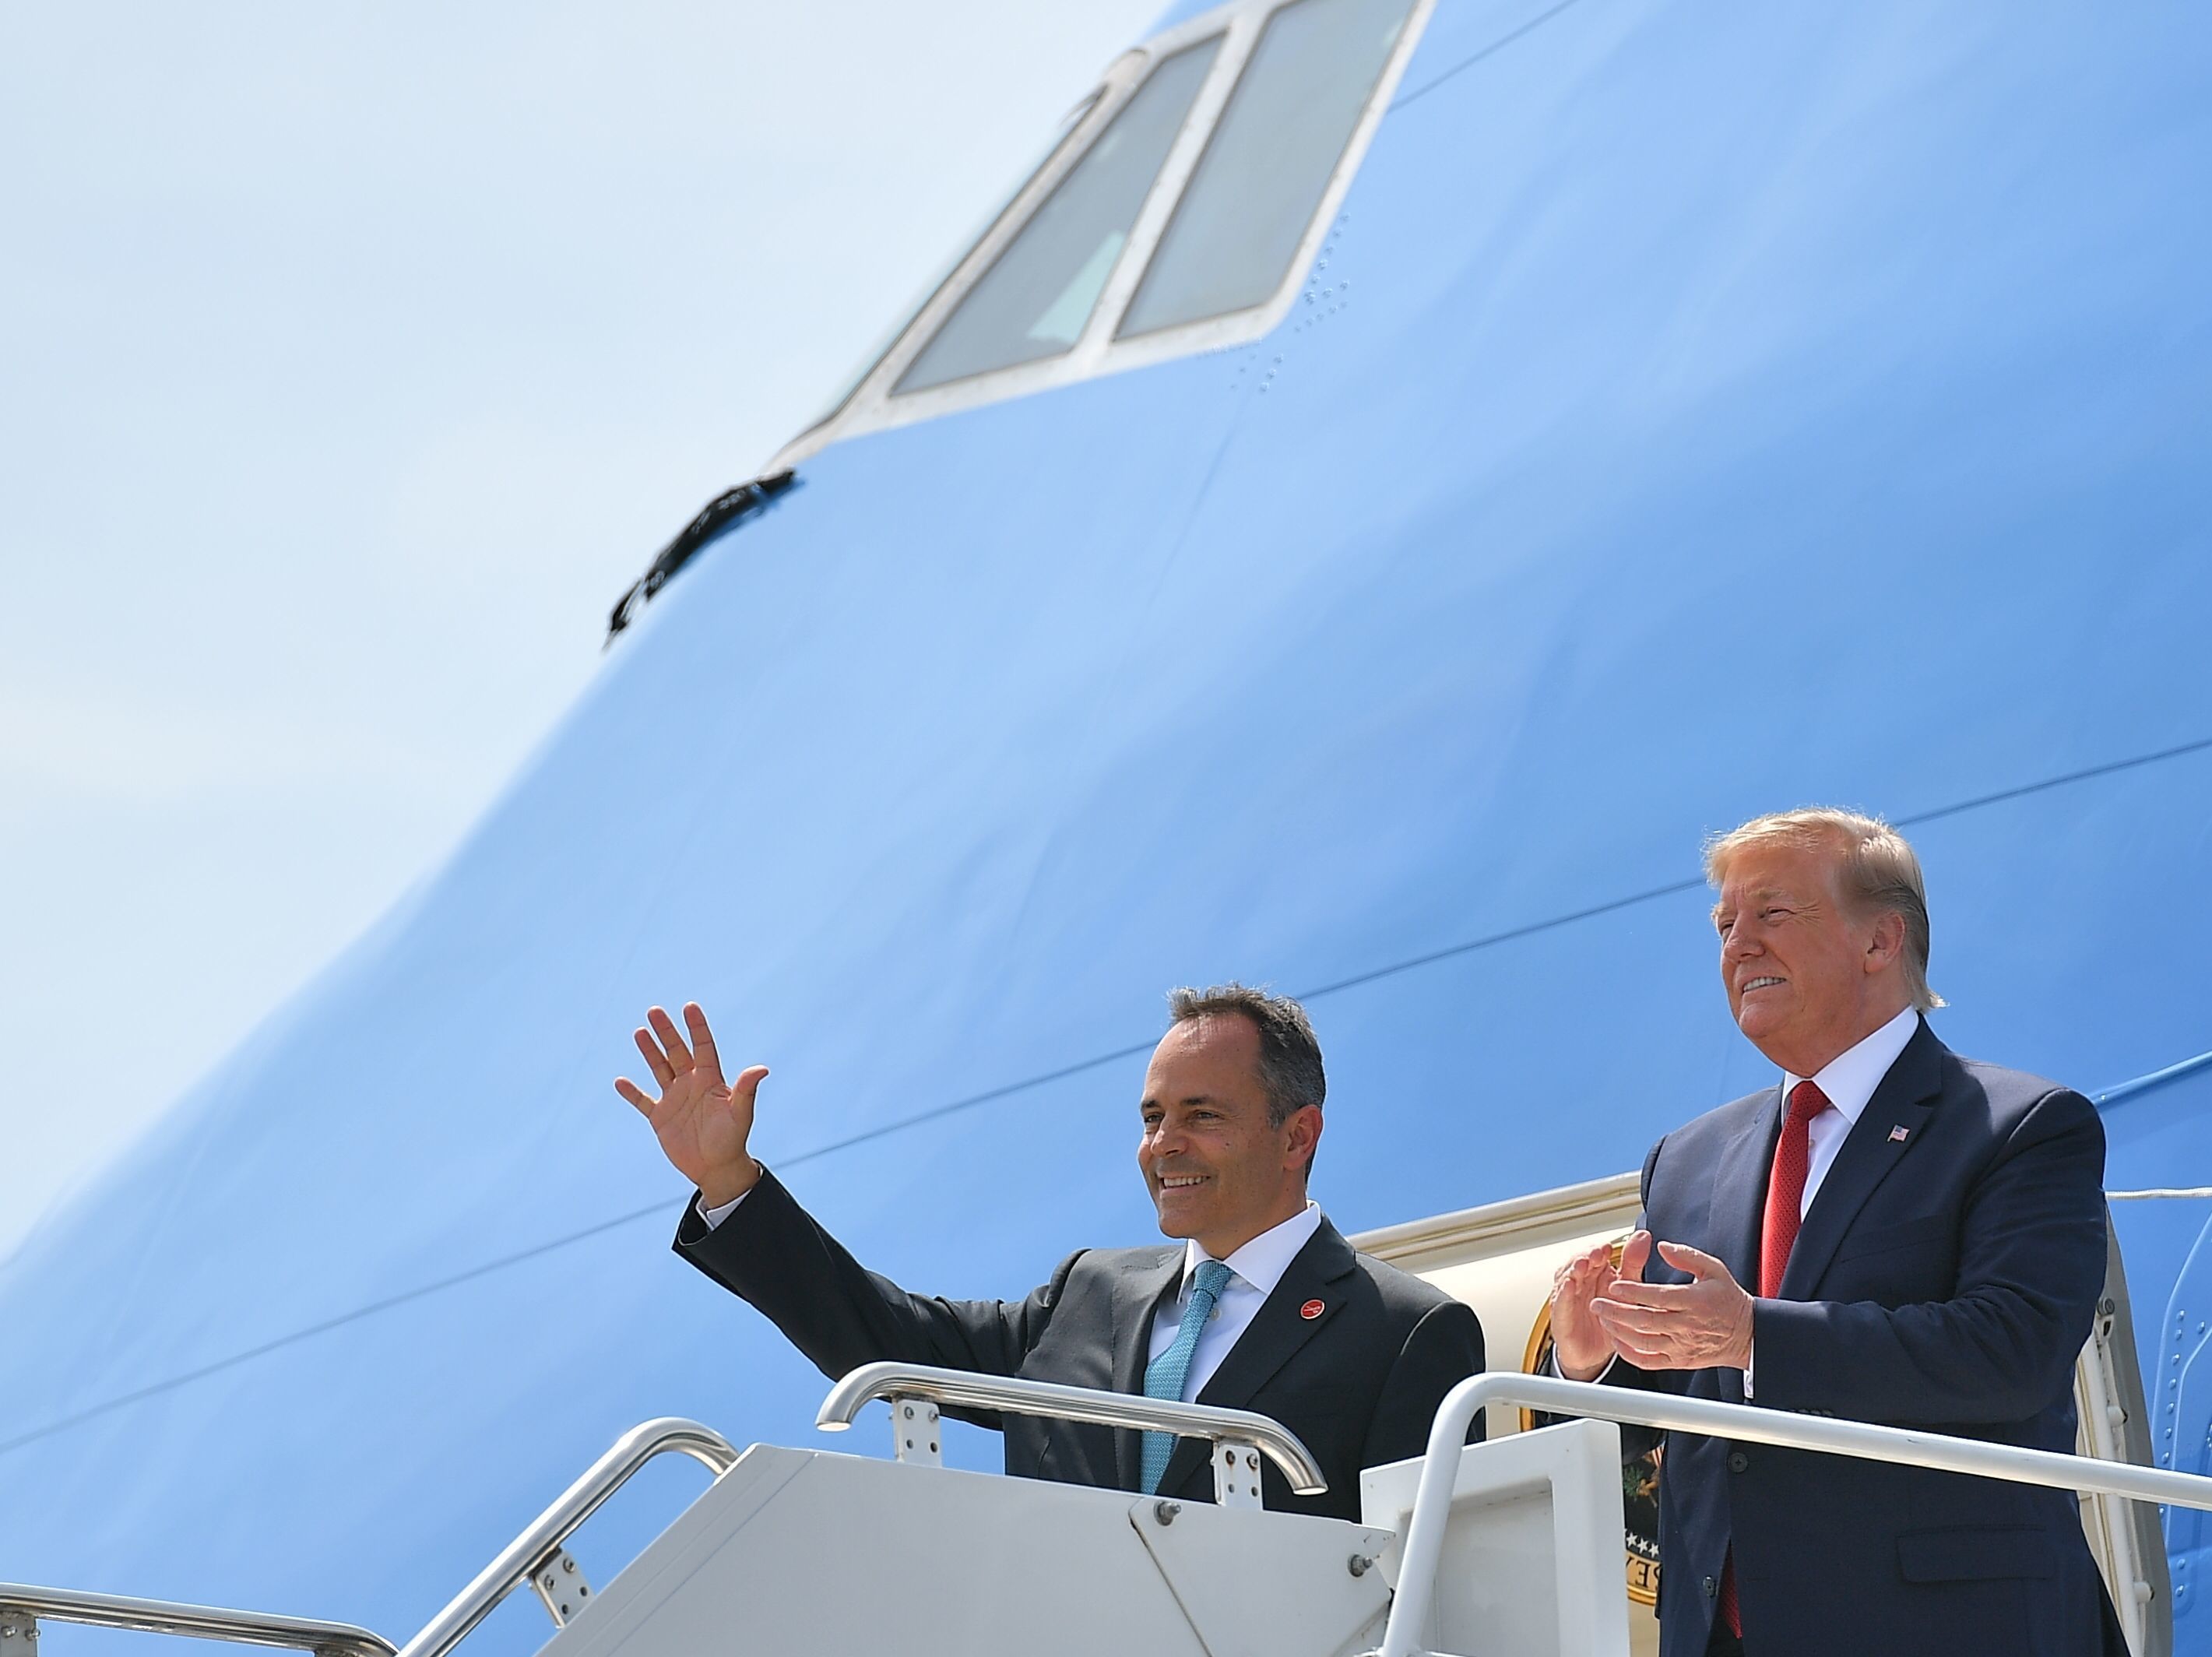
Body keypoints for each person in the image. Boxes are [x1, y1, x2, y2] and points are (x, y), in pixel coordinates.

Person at [1547, 808, 2124, 1657]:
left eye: (1772, 914)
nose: (1738, 944)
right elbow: (1674, 1417)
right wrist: (1595, 1361)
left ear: (1881, 941)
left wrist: (1756, 1335)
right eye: (1724, 924)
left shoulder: (2020, 1126)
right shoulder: (1686, 1159)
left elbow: (2013, 1350)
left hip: (1950, 1627)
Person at [617, 983, 1485, 1521]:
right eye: (1152, 1118)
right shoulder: (1089, 1293)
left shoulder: (1407, 1332)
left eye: (1202, 1115)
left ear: (1297, 1136)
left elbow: (1427, 1585)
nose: (1164, 1144)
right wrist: (731, 1180)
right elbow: (886, 1340)